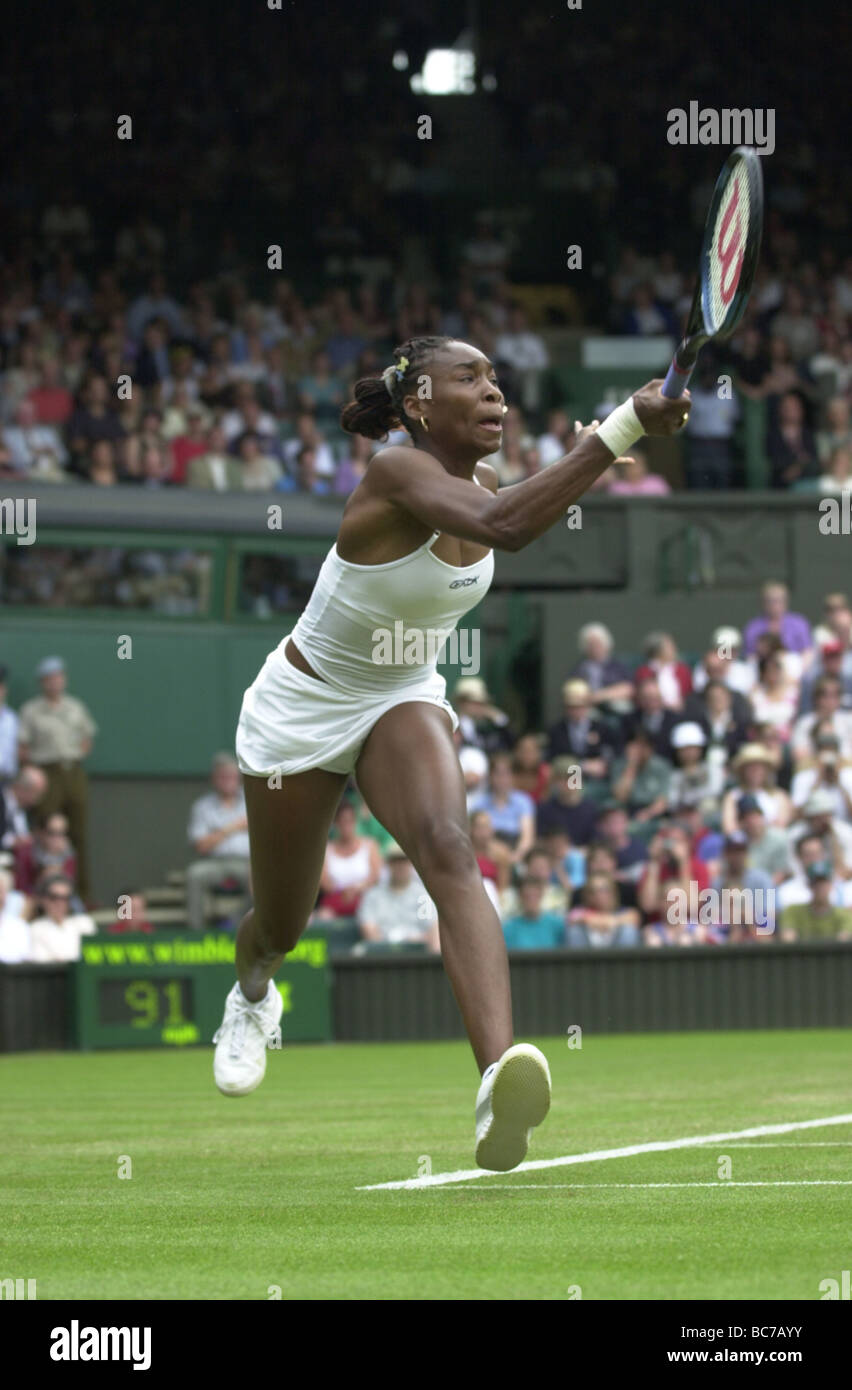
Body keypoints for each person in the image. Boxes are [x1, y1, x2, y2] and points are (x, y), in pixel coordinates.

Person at [215, 333, 689, 1173]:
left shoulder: (493, 482)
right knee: (282, 921)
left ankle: (497, 1078)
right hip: (303, 705)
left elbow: (516, 511)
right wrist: (619, 430)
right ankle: (252, 995)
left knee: (450, 847)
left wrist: (615, 441)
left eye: (498, 377)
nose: (494, 390)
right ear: (419, 404)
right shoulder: (396, 472)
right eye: (470, 376)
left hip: (403, 691)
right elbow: (504, 527)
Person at [16, 657, 97, 901]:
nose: (54, 683)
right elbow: (23, 748)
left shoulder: (76, 707)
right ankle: (43, 891)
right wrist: (35, 772)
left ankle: (81, 894)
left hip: (72, 770)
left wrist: (75, 755)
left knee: (77, 834)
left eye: (58, 677)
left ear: (64, 679)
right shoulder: (31, 711)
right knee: (47, 833)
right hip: (46, 773)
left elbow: (87, 738)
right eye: (49, 679)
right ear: (42, 682)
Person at [185, 754, 252, 931]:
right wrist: (233, 828)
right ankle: (196, 933)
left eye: (231, 776)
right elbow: (201, 845)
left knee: (263, 879)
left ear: (239, 778)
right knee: (194, 874)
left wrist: (216, 835)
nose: (227, 781)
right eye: (222, 776)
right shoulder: (202, 806)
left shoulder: (251, 800)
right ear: (214, 779)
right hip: (215, 863)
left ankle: (233, 922)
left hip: (248, 863)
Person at [356, 842, 439, 951]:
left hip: (418, 956)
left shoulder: (423, 896)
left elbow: (433, 930)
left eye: (404, 861)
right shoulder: (373, 896)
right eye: (395, 861)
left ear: (411, 864)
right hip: (382, 957)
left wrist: (414, 941)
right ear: (388, 864)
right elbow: (369, 930)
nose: (400, 866)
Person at [28, 873, 97, 963]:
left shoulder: (84, 923)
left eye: (65, 898)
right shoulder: (34, 928)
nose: (60, 903)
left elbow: (92, 957)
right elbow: (40, 959)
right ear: (43, 899)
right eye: (54, 897)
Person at [779, 863, 852, 941]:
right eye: (816, 883)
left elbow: (843, 941)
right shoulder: (793, 911)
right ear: (809, 885)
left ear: (831, 884)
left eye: (823, 882)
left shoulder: (844, 914)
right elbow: (788, 939)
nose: (820, 887)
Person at [565, 873, 640, 948]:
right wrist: (594, 920)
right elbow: (571, 918)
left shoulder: (621, 911)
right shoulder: (581, 910)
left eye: (603, 889)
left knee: (629, 931)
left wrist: (610, 921)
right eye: (592, 891)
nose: (598, 895)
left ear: (613, 892)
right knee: (575, 931)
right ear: (587, 895)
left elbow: (634, 917)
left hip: (616, 954)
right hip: (588, 954)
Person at [502, 878, 566, 951]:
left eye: (535, 895)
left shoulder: (557, 925)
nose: (531, 900)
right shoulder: (509, 928)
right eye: (527, 896)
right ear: (520, 896)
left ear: (541, 894)